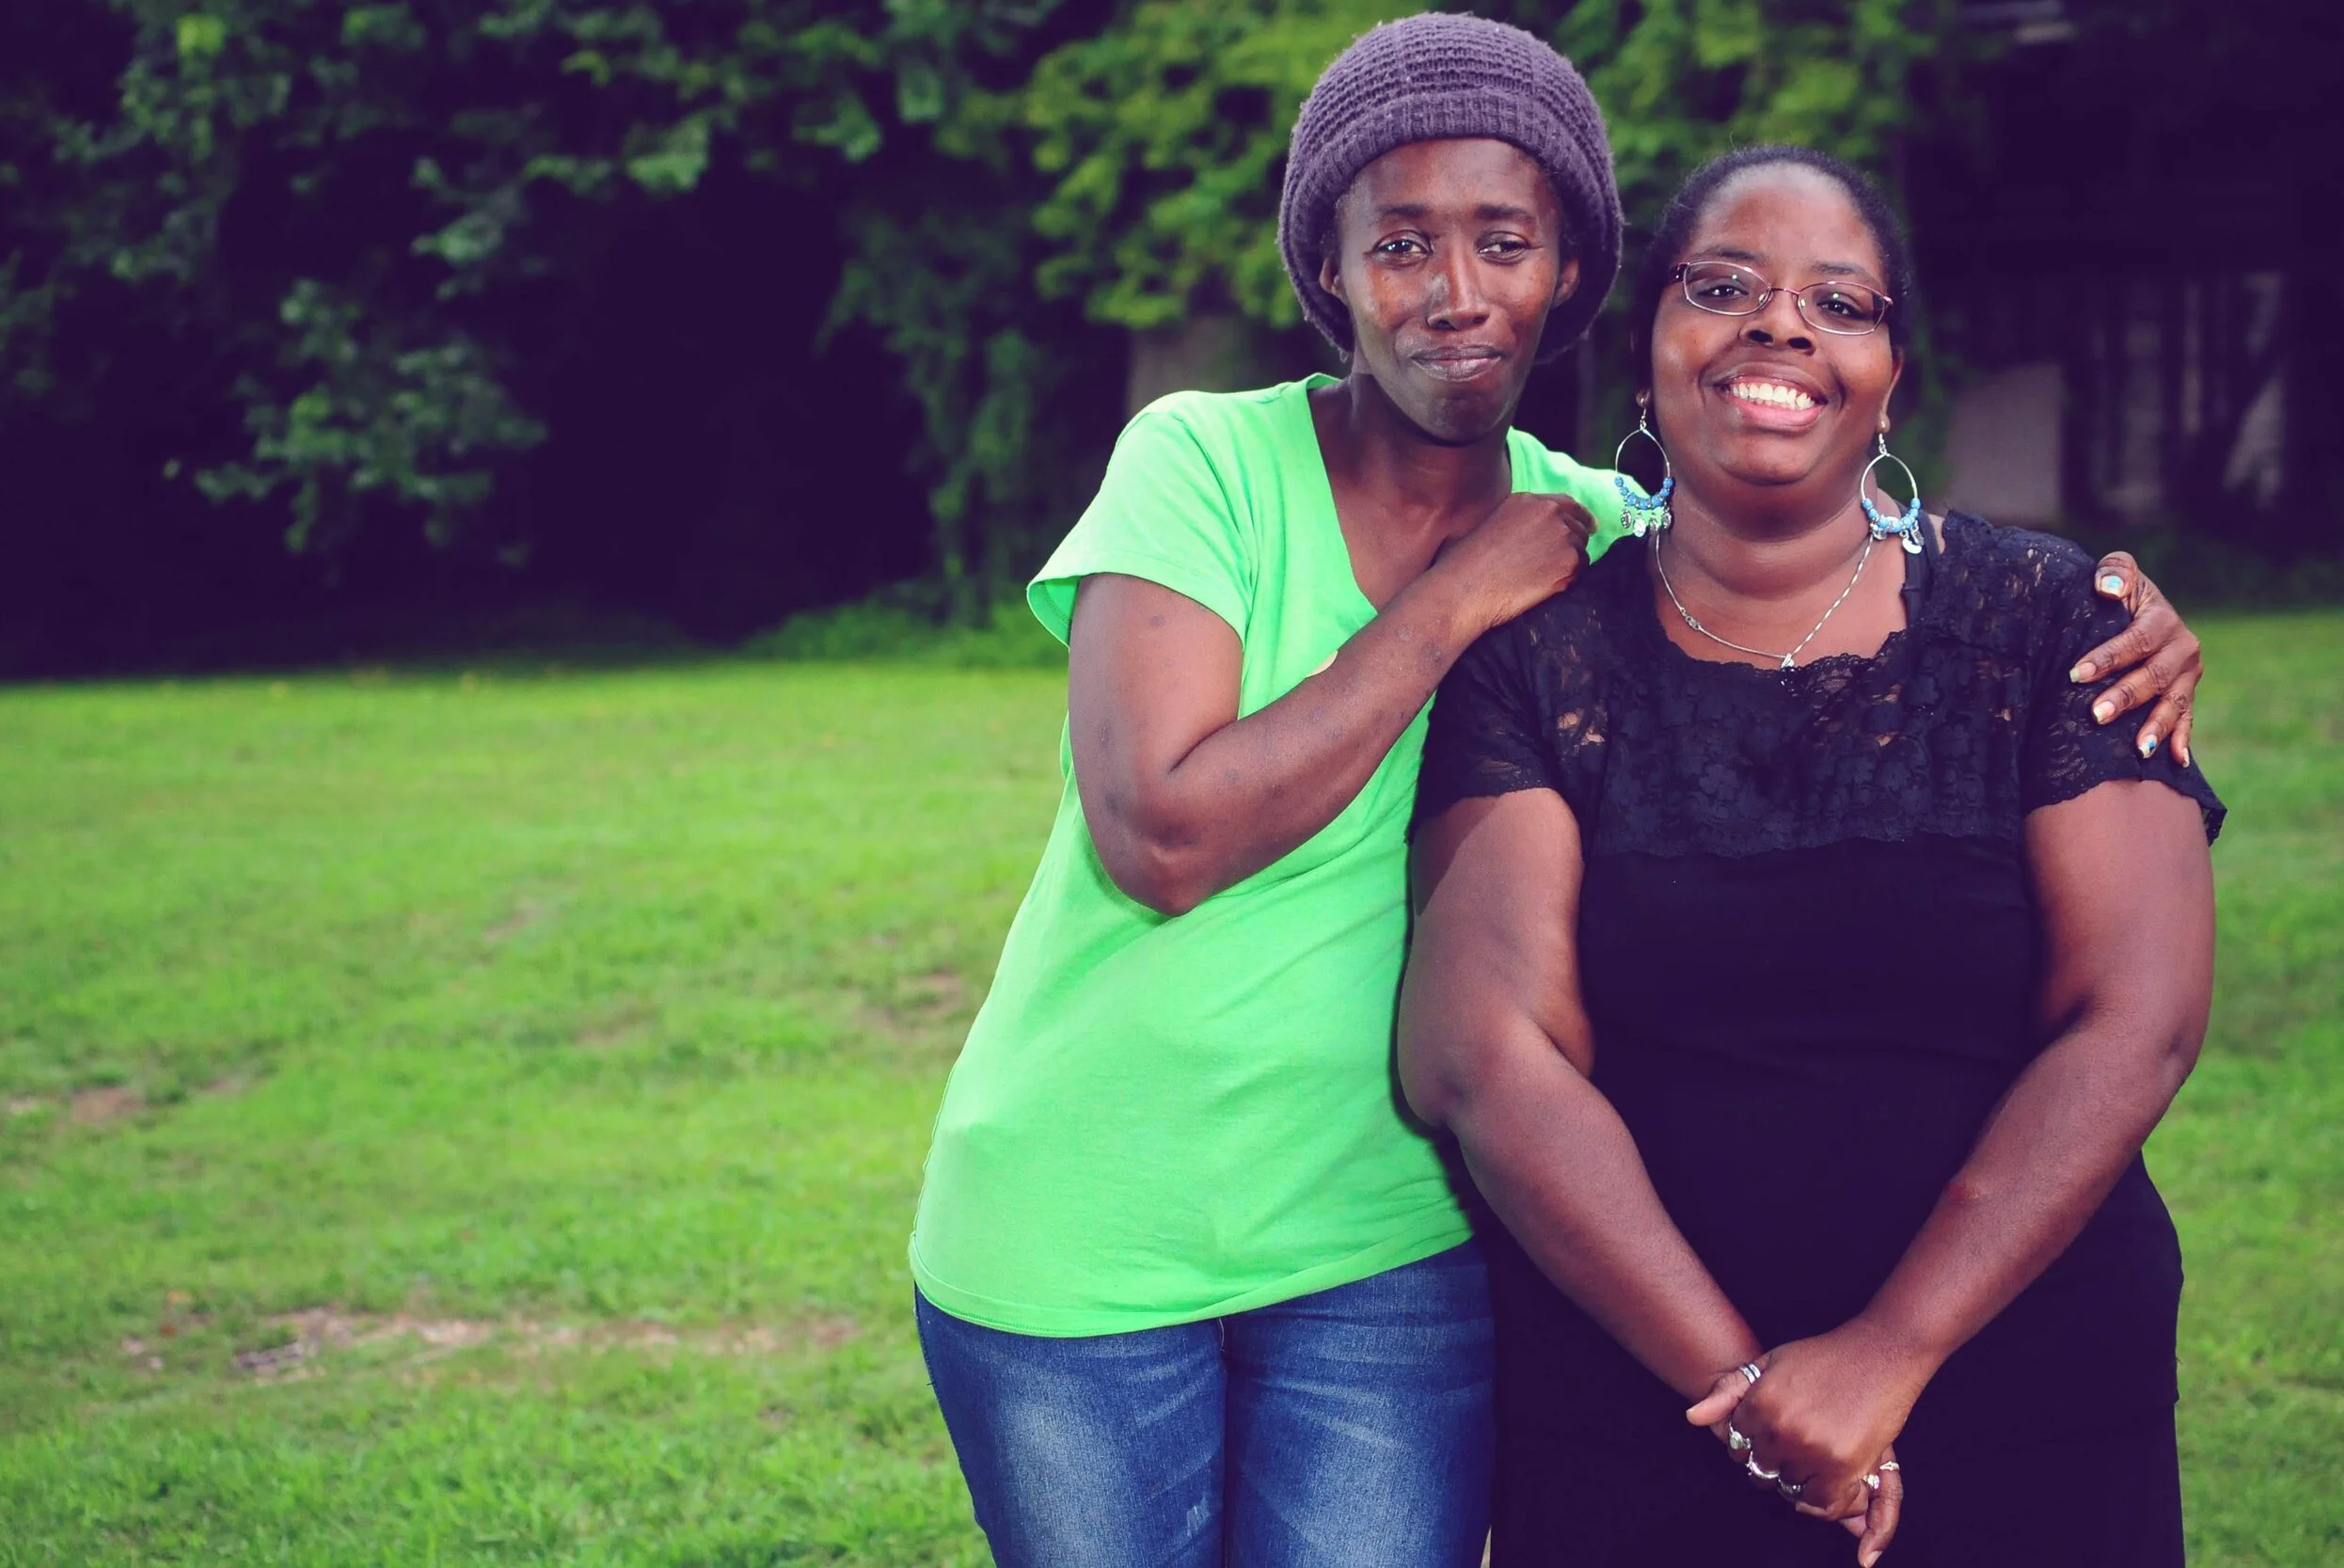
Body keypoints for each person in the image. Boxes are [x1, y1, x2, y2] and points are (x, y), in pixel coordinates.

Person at [911, 16, 2207, 1566]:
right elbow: (1161, 835)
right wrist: (1453, 601)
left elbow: (1793, 520)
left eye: (1505, 242)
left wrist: (2107, 608)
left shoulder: (1603, 532)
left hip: (1385, 1244)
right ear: (1329, 268)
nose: (1455, 291)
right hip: (1090, 1223)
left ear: (1571, 274)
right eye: (1400, 243)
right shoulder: (1211, 463)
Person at [1399, 144, 2222, 1568]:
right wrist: (1746, 1395)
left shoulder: (2053, 623)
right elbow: (1487, 1059)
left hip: (2024, 1393)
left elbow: (2134, 1020)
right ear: (1648, 348)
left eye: (1841, 304)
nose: (1782, 325)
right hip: (1646, 1411)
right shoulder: (1532, 662)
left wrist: (1889, 1350)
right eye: (1724, 287)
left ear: (1890, 379)